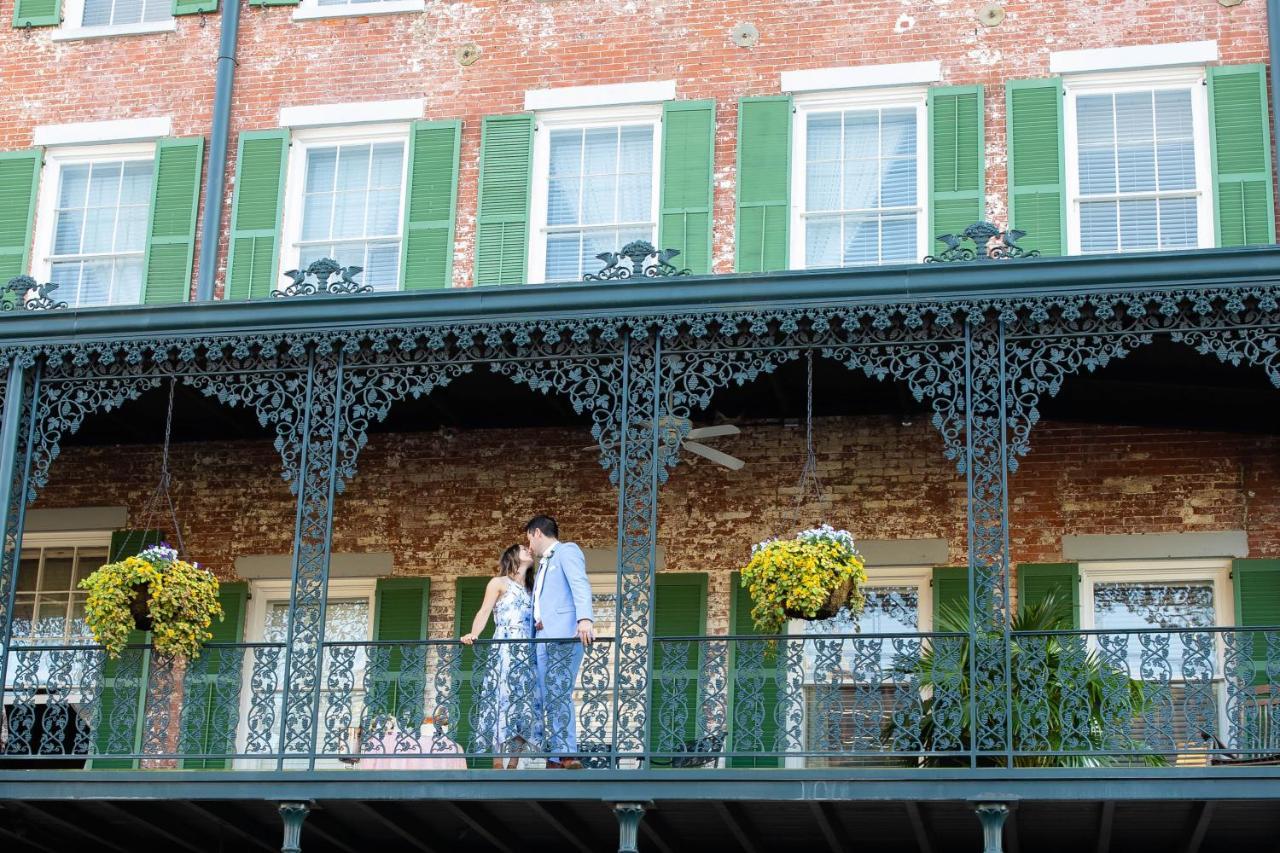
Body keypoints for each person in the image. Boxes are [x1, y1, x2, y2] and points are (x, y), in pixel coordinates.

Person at [526, 515, 594, 770]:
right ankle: (555, 757)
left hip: (564, 634)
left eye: (528, 539)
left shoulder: (567, 551)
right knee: (547, 696)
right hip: (542, 637)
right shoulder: (544, 564)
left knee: (559, 692)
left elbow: (579, 583)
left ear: (536, 533)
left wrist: (585, 618)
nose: (529, 546)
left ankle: (567, 753)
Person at [461, 543, 537, 769]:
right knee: (500, 699)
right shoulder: (498, 583)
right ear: (513, 556)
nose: (529, 551)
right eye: (524, 548)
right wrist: (473, 634)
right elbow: (484, 611)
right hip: (505, 645)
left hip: (528, 648)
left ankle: (514, 762)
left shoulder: (533, 588)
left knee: (523, 703)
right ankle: (497, 761)